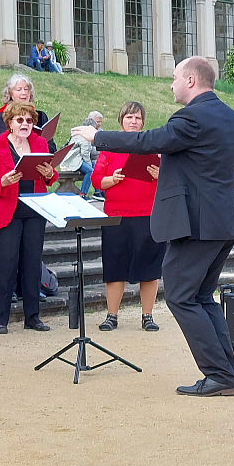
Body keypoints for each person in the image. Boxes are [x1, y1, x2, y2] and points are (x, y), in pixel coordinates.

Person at [72, 56, 234, 397]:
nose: (172, 84)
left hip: (197, 225)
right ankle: (228, 374)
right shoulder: (229, 116)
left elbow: (148, 141)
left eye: (176, 77)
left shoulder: (193, 117)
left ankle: (220, 375)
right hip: (220, 221)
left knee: (181, 297)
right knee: (201, 297)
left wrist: (98, 137)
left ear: (191, 81)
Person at [0, 102, 58, 333]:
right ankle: (1, 319)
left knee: (32, 264)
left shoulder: (40, 143)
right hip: (8, 211)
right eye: (20, 120)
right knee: (6, 264)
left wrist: (49, 174)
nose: (25, 124)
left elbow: (49, 176)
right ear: (10, 123)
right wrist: (2, 182)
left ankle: (32, 317)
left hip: (35, 211)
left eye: (29, 120)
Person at [91, 101, 165, 333]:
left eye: (138, 118)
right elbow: (96, 181)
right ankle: (112, 315)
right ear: (121, 120)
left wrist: (160, 175)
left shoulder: (152, 147)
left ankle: (148, 315)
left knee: (149, 268)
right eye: (129, 117)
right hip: (116, 215)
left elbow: (171, 182)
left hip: (148, 214)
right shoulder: (111, 148)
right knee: (115, 267)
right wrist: (112, 179)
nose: (133, 121)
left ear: (143, 122)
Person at [0, 73, 56, 152]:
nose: (24, 93)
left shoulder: (40, 116)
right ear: (10, 93)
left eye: (26, 89)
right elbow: (1, 146)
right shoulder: (3, 115)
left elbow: (51, 148)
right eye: (19, 89)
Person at [60, 116, 98, 198]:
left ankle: (99, 191)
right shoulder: (84, 138)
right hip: (73, 161)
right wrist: (89, 165)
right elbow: (85, 153)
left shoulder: (79, 135)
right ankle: (83, 193)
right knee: (90, 171)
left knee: (96, 166)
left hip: (78, 159)